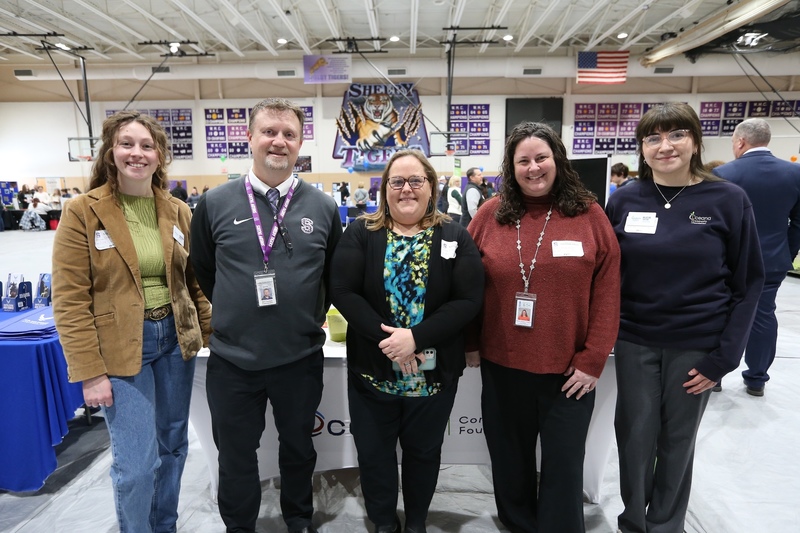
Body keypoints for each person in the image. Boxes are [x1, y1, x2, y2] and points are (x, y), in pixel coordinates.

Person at [605, 102, 764, 533]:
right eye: (653, 138)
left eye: (677, 134)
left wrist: (725, 357)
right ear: (642, 148)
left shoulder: (728, 199)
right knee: (634, 437)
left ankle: (665, 525)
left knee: (677, 441)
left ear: (695, 141)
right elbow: (605, 274)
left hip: (696, 343)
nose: (665, 146)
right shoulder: (625, 199)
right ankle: (633, 522)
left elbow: (748, 283)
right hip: (635, 339)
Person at [51, 110, 212, 533]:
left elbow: (195, 283)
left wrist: (216, 335)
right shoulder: (83, 212)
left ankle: (165, 526)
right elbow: (69, 299)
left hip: (175, 341)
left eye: (146, 145)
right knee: (137, 463)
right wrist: (89, 371)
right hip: (122, 346)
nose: (136, 153)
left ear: (160, 156)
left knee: (173, 447)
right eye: (127, 144)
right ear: (111, 152)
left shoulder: (177, 210)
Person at [190, 98, 342, 533]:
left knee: (299, 448)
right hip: (234, 361)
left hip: (299, 358)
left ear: (300, 144)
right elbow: (204, 269)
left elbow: (332, 275)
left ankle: (298, 519)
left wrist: (302, 316)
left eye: (289, 134)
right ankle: (239, 526)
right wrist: (238, 313)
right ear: (250, 138)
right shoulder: (214, 203)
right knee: (236, 454)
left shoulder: (323, 207)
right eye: (269, 132)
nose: (279, 141)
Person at [466, 122, 621, 533]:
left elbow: (608, 291)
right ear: (511, 167)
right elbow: (465, 283)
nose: (533, 168)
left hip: (569, 372)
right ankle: (518, 524)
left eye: (541, 158)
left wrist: (593, 358)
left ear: (557, 160)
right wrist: (469, 340)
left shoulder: (588, 214)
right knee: (509, 461)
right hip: (503, 366)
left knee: (564, 466)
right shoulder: (490, 214)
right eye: (523, 161)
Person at [330, 150, 484, 533]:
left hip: (432, 379)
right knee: (374, 457)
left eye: (416, 180)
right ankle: (384, 524)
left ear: (431, 186)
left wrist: (415, 337)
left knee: (424, 455)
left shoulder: (456, 235)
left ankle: (416, 523)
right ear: (385, 189)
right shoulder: (361, 233)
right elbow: (343, 290)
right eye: (397, 181)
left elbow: (468, 300)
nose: (406, 189)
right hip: (373, 375)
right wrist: (390, 341)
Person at [712, 117, 800, 397]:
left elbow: (714, 224)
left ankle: (714, 375)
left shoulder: (723, 173)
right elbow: (798, 223)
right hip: (772, 259)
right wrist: (786, 253)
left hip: (728, 260)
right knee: (763, 315)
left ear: (740, 141)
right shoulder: (794, 173)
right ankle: (757, 379)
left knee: (720, 314)